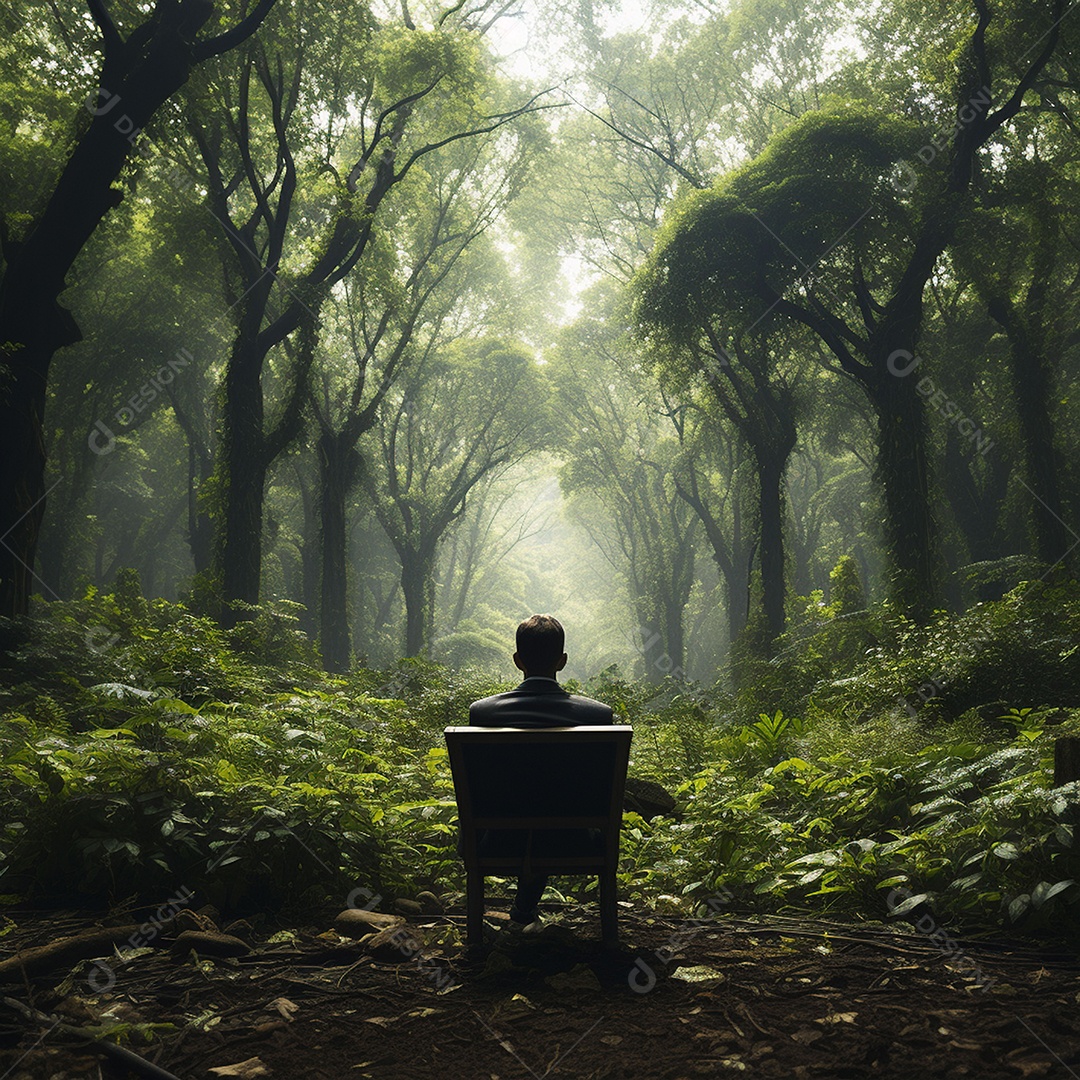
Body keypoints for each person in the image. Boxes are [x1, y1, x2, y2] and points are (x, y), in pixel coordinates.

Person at [465, 614, 613, 927]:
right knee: (550, 802)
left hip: (498, 839)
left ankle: (515, 916)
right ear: (562, 661)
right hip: (574, 840)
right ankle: (526, 912)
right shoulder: (597, 715)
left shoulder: (483, 713)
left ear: (518, 661)